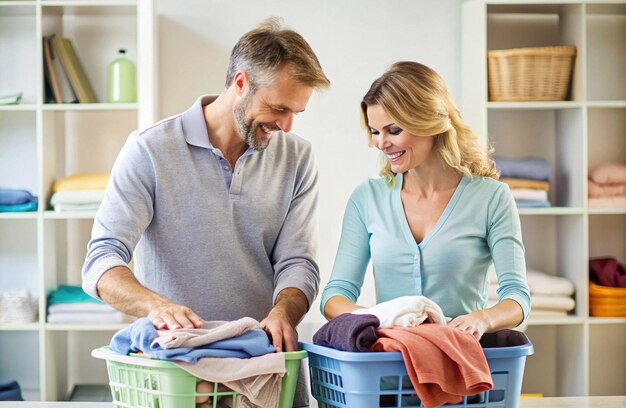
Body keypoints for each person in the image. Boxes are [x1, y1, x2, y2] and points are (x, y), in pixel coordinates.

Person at [82, 17, 330, 354]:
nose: (286, 125)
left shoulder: (297, 157)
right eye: (278, 108)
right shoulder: (150, 149)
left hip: (263, 363)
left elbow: (298, 263)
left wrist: (283, 312)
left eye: (296, 113)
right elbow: (102, 259)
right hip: (177, 366)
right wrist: (155, 305)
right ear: (241, 83)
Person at [320, 61, 530, 340]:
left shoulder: (491, 198)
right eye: (375, 131)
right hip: (389, 363)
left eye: (393, 131)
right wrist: (382, 322)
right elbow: (335, 295)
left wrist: (482, 319)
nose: (381, 144)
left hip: (462, 357)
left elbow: (517, 297)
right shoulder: (367, 199)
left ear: (428, 122)